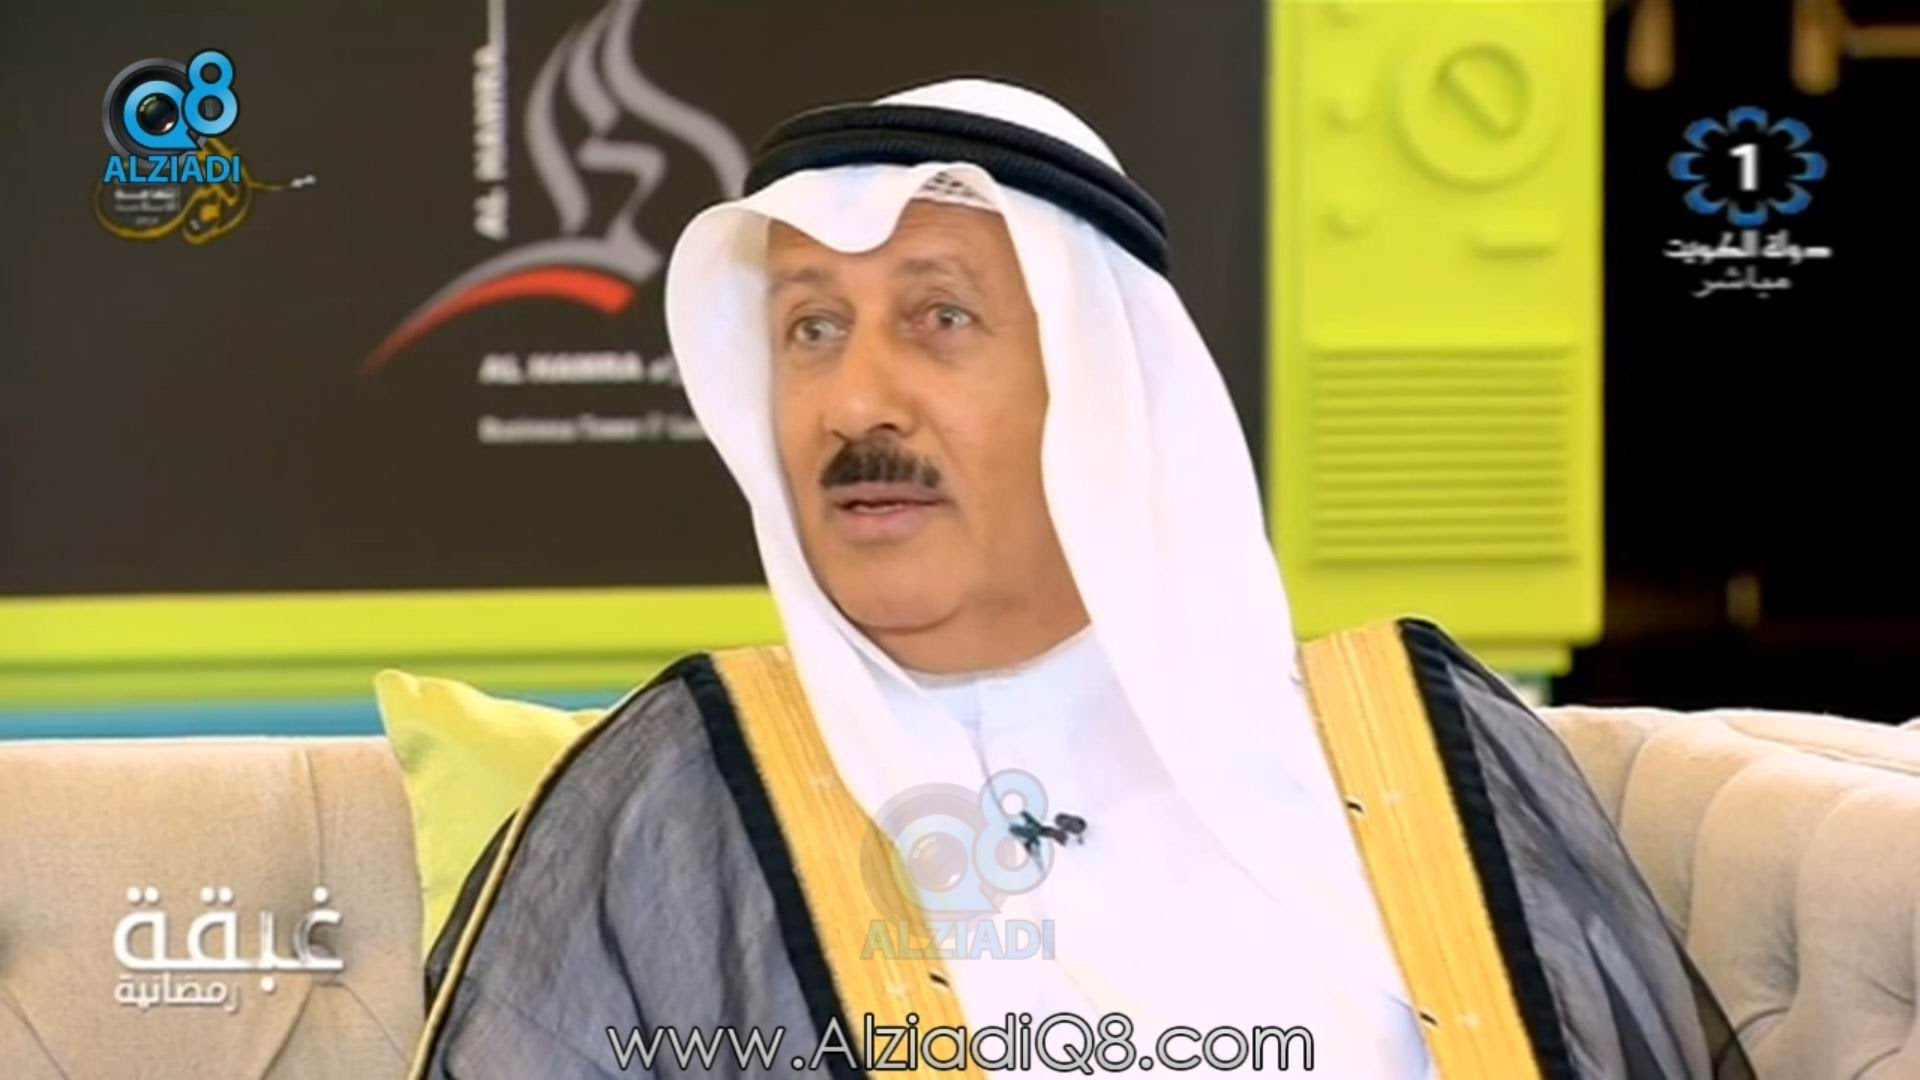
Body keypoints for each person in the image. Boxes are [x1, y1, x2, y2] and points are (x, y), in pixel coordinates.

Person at [410, 77, 1438, 1078]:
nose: (855, 405)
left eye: (940, 316)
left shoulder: (1402, 758)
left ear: (1100, 384)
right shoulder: (678, 792)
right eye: (813, 329)